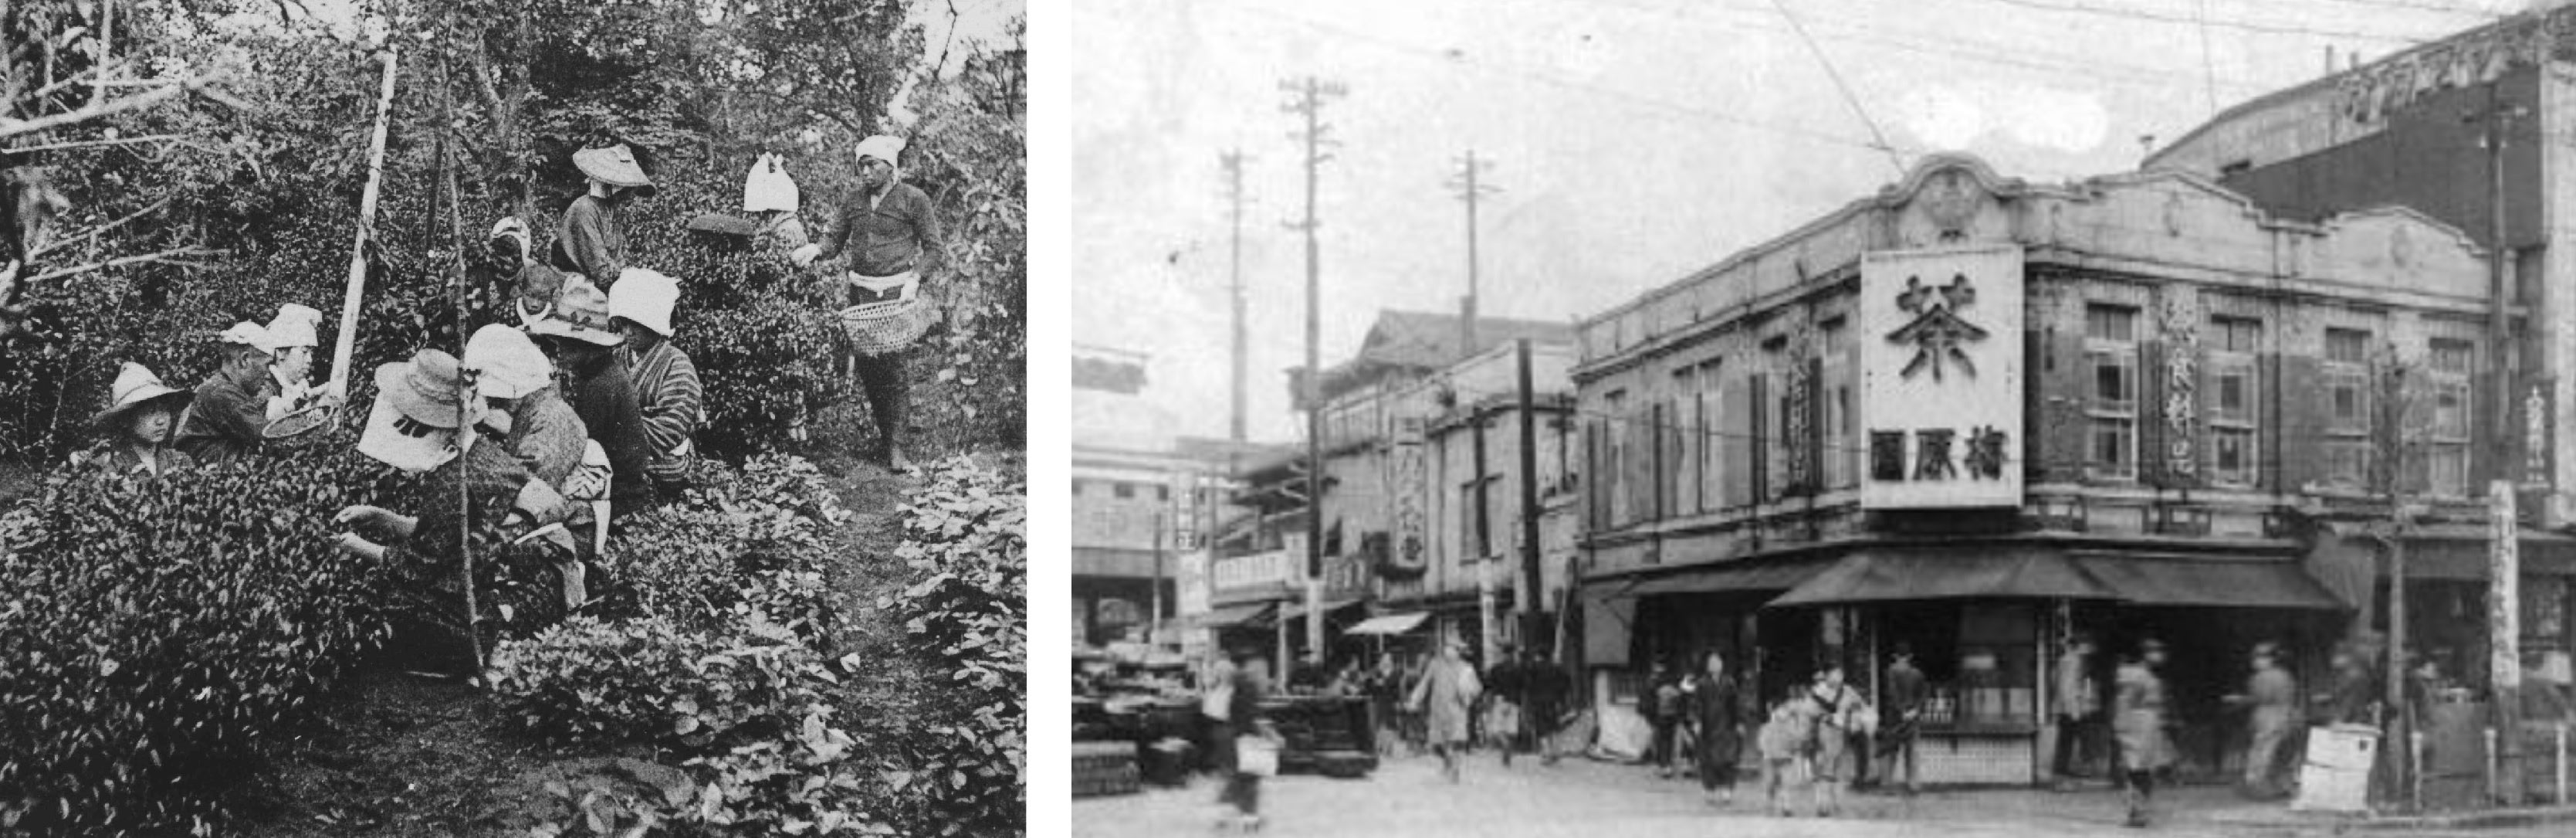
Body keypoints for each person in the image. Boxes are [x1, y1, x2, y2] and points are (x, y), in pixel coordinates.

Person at [327, 350, 574, 675]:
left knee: (394, 608)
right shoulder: (479, 452)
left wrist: (355, 546)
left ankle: (470, 659)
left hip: (508, 604)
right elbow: (442, 533)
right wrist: (379, 517)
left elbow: (418, 566)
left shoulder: (453, 481)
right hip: (537, 585)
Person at [790, 134, 942, 469]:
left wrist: (915, 280)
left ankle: (898, 448)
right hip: (861, 296)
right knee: (870, 368)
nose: (866, 172)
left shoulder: (913, 199)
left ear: (890, 166)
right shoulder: (854, 200)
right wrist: (815, 250)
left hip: (895, 295)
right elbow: (834, 239)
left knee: (894, 368)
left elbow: (934, 249)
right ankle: (886, 437)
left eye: (872, 165)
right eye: (862, 166)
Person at [530, 277, 652, 515]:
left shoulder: (602, 385)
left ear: (586, 346)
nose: (559, 350)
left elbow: (580, 447)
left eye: (567, 345)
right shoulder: (596, 374)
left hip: (619, 494)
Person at [608, 268, 701, 500]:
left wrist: (620, 430)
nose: (628, 332)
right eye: (624, 323)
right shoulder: (617, 357)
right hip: (622, 444)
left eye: (636, 325)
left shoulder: (677, 365)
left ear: (654, 324)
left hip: (660, 454)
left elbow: (671, 427)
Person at [171, 321, 276, 467]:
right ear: (245, 360)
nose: (268, 374)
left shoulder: (220, 388)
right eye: (267, 365)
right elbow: (271, 438)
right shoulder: (222, 393)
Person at [554, 144, 652, 288]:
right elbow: (600, 269)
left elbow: (617, 258)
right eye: (628, 190)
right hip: (573, 283)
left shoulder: (612, 210)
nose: (631, 197)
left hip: (600, 281)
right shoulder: (584, 210)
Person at [73, 361, 196, 475]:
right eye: (150, 412)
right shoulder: (110, 468)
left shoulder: (179, 462)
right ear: (126, 418)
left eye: (164, 410)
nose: (160, 421)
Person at [2114, 639, 2176, 829]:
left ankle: (2142, 811)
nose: (2159, 656)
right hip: (2138, 724)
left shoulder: (2150, 675)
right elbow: (2125, 702)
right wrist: (2122, 727)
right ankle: (2137, 811)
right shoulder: (2136, 675)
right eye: (2154, 651)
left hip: (2150, 725)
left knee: (2146, 769)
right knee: (2136, 769)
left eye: (2159, 651)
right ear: (2145, 654)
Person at [2224, 642, 2298, 799]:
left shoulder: (2262, 677)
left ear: (2270, 660)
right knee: (2280, 754)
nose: (2255, 662)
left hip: (2269, 717)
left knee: (2262, 752)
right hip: (2286, 716)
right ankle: (2281, 786)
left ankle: (2258, 788)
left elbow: (2262, 698)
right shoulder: (2286, 675)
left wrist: (2239, 700)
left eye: (2259, 658)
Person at [1214, 653, 1273, 832]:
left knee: (1237, 777)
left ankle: (1224, 816)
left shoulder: (1236, 686)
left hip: (1229, 735)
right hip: (1245, 739)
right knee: (1249, 778)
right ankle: (1249, 819)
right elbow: (1254, 717)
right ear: (1252, 667)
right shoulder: (1249, 687)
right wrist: (1272, 735)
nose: (1265, 674)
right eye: (1263, 669)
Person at [1411, 637, 1483, 782]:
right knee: (1437, 745)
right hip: (1438, 710)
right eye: (1446, 647)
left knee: (1456, 741)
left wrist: (1468, 693)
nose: (1447, 650)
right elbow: (1425, 682)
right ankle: (1448, 760)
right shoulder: (1435, 664)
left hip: (1457, 710)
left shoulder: (1466, 668)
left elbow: (1477, 688)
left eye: (1451, 648)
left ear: (1458, 651)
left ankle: (1455, 769)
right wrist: (1415, 699)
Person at [1806, 663, 1871, 817]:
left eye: (1840, 674)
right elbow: (1810, 712)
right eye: (1835, 674)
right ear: (1827, 676)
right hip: (1825, 732)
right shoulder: (1819, 691)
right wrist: (1825, 716)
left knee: (1840, 769)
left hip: (1842, 733)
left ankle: (1838, 805)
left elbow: (1860, 707)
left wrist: (1856, 718)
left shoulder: (1848, 690)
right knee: (1826, 768)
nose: (1839, 677)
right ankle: (1823, 806)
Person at [477, 217, 566, 327]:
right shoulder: (484, 273)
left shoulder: (532, 273)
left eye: (514, 256)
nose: (508, 260)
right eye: (502, 252)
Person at [1686, 650, 1748, 806]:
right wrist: (1696, 721)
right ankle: (1710, 790)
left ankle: (1727, 790)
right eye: (1712, 663)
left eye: (1718, 662)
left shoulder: (1729, 682)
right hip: (1708, 727)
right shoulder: (1701, 683)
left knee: (1728, 759)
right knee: (1707, 760)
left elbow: (1737, 703)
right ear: (1708, 666)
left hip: (1727, 726)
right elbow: (1695, 704)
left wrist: (1740, 722)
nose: (1716, 665)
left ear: (1722, 665)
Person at [259, 304, 333, 422]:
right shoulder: (264, 389)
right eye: (304, 352)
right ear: (281, 353)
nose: (309, 359)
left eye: (311, 353)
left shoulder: (303, 387)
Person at [2053, 633, 2105, 790]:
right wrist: (2074, 711)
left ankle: (2063, 778)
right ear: (2080, 646)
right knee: (2067, 744)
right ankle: (2062, 779)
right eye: (2088, 645)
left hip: (2068, 709)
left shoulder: (2068, 660)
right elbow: (2067, 687)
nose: (2090, 649)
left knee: (2066, 744)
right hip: (2071, 710)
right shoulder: (2073, 661)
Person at [1759, 689, 1821, 817]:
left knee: (1786, 785)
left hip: (1786, 760)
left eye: (1785, 711)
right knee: (1770, 784)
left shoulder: (1791, 727)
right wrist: (1766, 751)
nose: (1783, 713)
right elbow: (1762, 742)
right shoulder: (1767, 727)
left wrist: (1797, 746)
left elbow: (1796, 740)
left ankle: (1787, 807)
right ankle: (1769, 805)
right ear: (1773, 713)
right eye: (1780, 711)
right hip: (1770, 761)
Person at [1878, 645, 1928, 795]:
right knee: (1912, 753)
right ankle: (1913, 785)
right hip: (1912, 719)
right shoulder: (1918, 674)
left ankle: (1887, 785)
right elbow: (1923, 695)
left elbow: (1891, 693)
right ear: (1910, 656)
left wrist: (1901, 712)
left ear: (1894, 656)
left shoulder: (1890, 672)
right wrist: (1915, 711)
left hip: (1893, 719)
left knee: (1890, 752)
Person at [1522, 647, 1572, 765]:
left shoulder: (1533, 668)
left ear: (1539, 656)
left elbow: (1528, 685)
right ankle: (1556, 751)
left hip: (1538, 702)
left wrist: (1529, 699)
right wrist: (1560, 697)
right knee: (1553, 726)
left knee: (1542, 728)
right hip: (1553, 701)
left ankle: (1547, 754)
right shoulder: (1557, 668)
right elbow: (1567, 681)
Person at [1645, 658, 1684, 779]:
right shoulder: (1673, 688)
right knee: (1668, 741)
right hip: (1670, 717)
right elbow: (1679, 700)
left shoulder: (1655, 684)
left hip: (1660, 717)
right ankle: (1667, 766)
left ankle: (1664, 766)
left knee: (1661, 741)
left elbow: (1650, 701)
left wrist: (1650, 716)